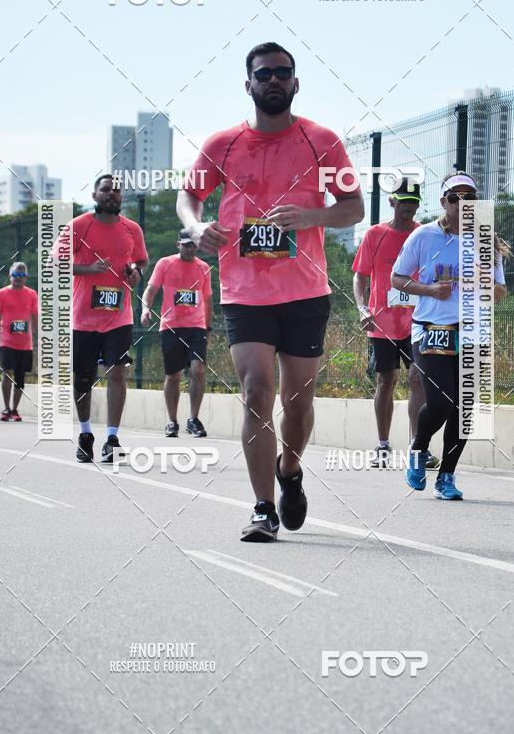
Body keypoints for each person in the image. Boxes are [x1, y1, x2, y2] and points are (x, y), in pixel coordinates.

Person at [177, 41, 364, 541]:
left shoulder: (321, 140)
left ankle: (290, 471)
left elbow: (354, 207)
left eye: (284, 72)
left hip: (304, 292)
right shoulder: (222, 145)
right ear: (249, 85)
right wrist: (196, 229)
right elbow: (188, 197)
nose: (274, 80)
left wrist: (311, 217)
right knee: (256, 393)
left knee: (298, 404)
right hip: (244, 292)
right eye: (265, 74)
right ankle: (262, 508)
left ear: (296, 83)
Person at [391, 171, 508, 499]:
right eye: (454, 198)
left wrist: (482, 284)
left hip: (472, 330)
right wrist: (429, 289)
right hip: (432, 329)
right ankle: (418, 448)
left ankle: (446, 477)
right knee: (441, 402)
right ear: (443, 203)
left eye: (469, 198)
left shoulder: (486, 239)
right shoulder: (424, 237)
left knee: (466, 408)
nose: (462, 203)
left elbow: (500, 292)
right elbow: (397, 279)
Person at [56, 172, 148, 463]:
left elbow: (141, 259)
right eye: (106, 190)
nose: (112, 194)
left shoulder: (132, 229)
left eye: (117, 191)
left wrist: (136, 272)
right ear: (94, 196)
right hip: (83, 317)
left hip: (119, 315)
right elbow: (56, 263)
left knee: (117, 371)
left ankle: (112, 438)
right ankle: (85, 434)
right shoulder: (78, 226)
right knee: (83, 379)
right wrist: (89, 269)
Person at [353, 179, 438, 469]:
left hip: (418, 321)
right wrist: (362, 307)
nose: (409, 209)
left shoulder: (425, 234)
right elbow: (360, 275)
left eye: (414, 203)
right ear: (392, 203)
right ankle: (383, 444)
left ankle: (418, 446)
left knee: (418, 378)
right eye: (404, 203)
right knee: (386, 381)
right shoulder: (374, 234)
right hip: (383, 322)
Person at [141, 231, 213, 438]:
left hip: (196, 327)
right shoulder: (165, 264)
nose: (190, 249)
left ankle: (193, 419)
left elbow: (208, 301)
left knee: (197, 369)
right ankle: (172, 421)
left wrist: (208, 328)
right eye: (186, 245)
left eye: (194, 245)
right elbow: (150, 291)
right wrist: (146, 309)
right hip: (171, 327)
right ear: (178, 244)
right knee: (173, 375)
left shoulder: (203, 268)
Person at [0, 262, 38, 421]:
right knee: (7, 373)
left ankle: (15, 410)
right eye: (15, 275)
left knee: (20, 377)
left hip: (25, 344)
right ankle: (6, 408)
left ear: (26, 278)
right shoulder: (1, 294)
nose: (18, 278)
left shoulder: (31, 294)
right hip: (6, 342)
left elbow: (36, 317)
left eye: (21, 276)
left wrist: (40, 340)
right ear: (10, 276)